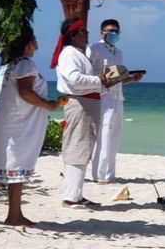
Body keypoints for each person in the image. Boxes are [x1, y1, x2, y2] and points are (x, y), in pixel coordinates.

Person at [0, 27, 65, 226]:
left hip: (9, 122)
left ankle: (14, 213)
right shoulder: (25, 64)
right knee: (18, 166)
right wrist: (50, 105)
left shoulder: (8, 65)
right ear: (27, 44)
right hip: (19, 124)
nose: (37, 46)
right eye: (34, 42)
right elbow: (25, 93)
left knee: (16, 168)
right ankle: (14, 215)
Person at [51, 17, 109, 208]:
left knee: (83, 150)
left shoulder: (78, 53)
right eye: (83, 32)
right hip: (79, 104)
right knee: (77, 148)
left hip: (88, 103)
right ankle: (70, 196)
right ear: (73, 35)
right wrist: (99, 79)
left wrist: (117, 80)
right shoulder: (69, 53)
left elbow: (89, 82)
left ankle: (76, 194)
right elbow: (75, 79)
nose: (87, 34)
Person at [88, 19, 125, 184]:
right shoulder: (94, 49)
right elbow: (88, 72)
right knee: (104, 135)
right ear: (102, 31)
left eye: (116, 31)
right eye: (110, 31)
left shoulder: (119, 52)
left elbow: (118, 76)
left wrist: (130, 78)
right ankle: (99, 174)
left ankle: (110, 173)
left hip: (118, 96)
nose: (113, 34)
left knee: (115, 136)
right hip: (103, 97)